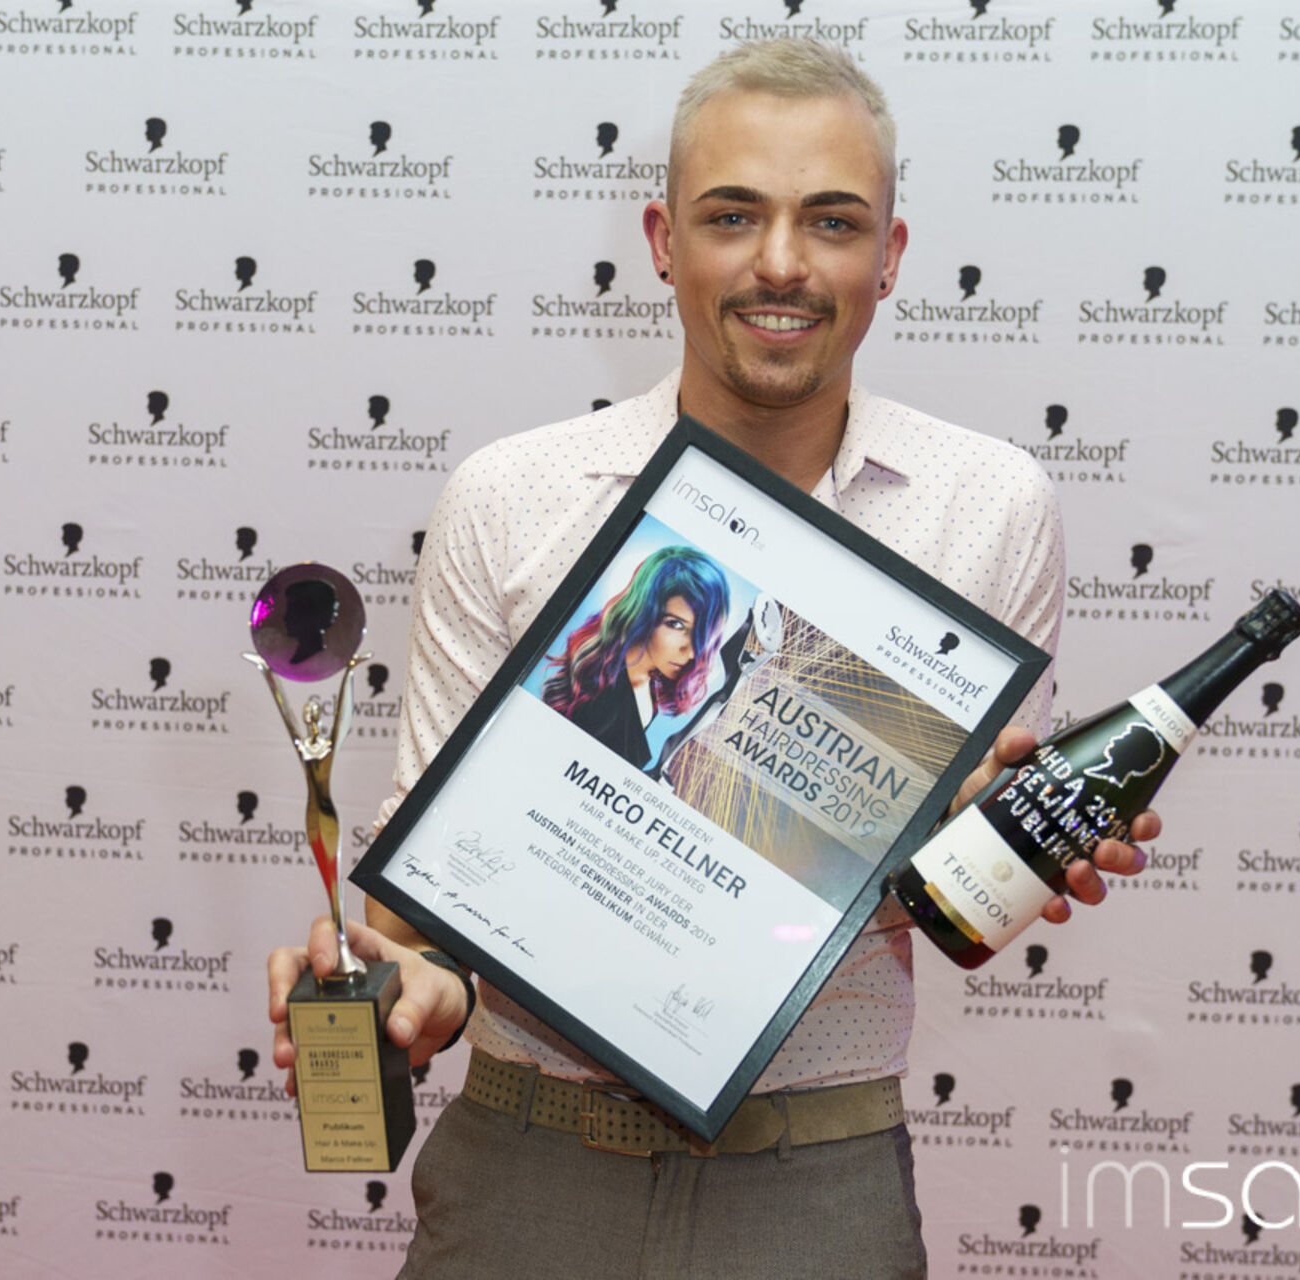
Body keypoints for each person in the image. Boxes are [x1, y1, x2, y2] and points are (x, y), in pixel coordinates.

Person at [269, 40, 1157, 1279]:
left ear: (891, 253)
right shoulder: (511, 497)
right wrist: (413, 989)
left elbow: (956, 903)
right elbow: (426, 915)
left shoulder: (990, 506)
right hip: (524, 1163)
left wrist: (984, 847)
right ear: (662, 239)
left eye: (832, 220)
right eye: (733, 215)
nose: (781, 262)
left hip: (818, 1180)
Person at [538, 544, 730, 769]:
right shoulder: (600, 698)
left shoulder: (648, 683)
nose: (691, 652)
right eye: (676, 625)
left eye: (701, 635)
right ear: (643, 612)